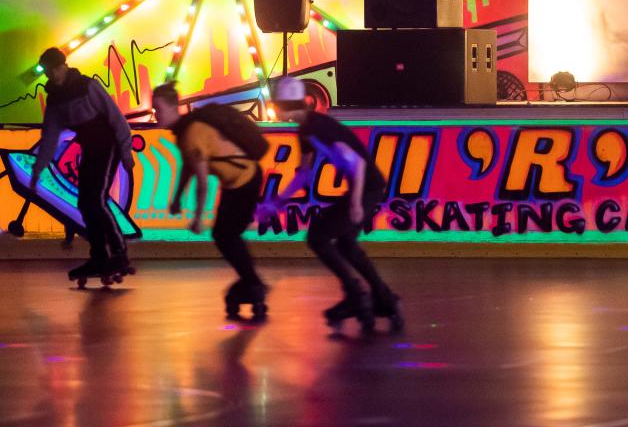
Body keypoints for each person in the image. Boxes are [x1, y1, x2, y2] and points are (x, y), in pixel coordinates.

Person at [257, 76, 402, 334]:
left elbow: (356, 163)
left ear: (283, 105)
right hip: (367, 186)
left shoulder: (317, 127)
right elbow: (304, 175)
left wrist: (356, 203)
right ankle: (383, 298)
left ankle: (358, 295)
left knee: (318, 236)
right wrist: (276, 204)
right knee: (345, 243)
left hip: (367, 187)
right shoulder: (305, 130)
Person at [151, 82, 268, 319]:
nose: (156, 115)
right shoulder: (186, 132)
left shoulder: (191, 133)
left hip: (245, 181)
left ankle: (254, 284)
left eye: (159, 109)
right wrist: (177, 198)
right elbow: (189, 167)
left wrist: (196, 218)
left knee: (225, 235)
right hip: (237, 183)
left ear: (174, 108)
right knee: (227, 235)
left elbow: (203, 183)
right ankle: (252, 283)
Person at [31, 47, 135, 285]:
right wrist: (37, 171)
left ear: (64, 66)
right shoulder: (55, 99)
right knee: (85, 203)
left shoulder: (88, 86)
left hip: (108, 145)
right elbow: (49, 136)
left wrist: (126, 151)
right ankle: (100, 256)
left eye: (54, 70)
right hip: (90, 149)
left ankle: (119, 253)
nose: (52, 76)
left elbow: (116, 118)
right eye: (48, 73)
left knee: (94, 201)